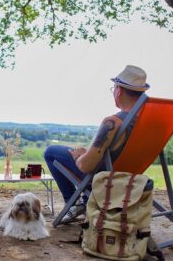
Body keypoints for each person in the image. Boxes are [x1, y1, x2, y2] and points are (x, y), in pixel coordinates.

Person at [44, 65, 150, 223]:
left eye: (113, 88)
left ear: (118, 90)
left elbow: (85, 167)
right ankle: (85, 202)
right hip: (132, 178)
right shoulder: (151, 122)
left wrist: (79, 156)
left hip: (105, 179)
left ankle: (74, 203)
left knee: (51, 151)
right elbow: (118, 150)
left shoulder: (112, 122)